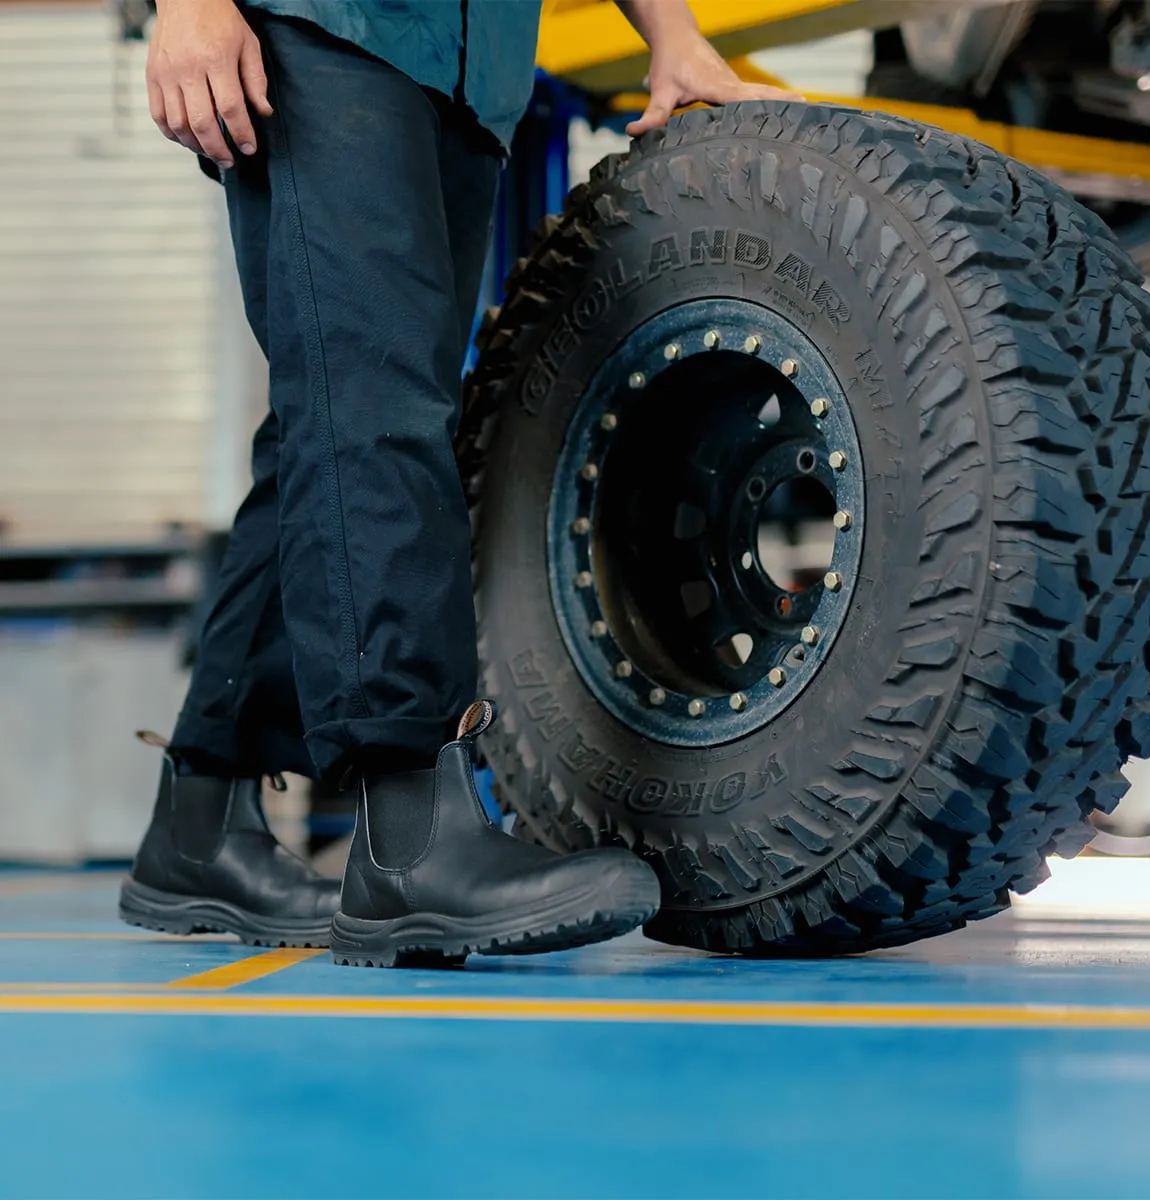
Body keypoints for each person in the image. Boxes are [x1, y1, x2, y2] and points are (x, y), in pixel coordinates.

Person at [118, 0, 797, 966]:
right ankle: (409, 838)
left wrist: (673, 33)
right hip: (326, 31)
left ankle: (199, 818)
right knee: (373, 403)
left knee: (344, 414)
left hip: (470, 68)